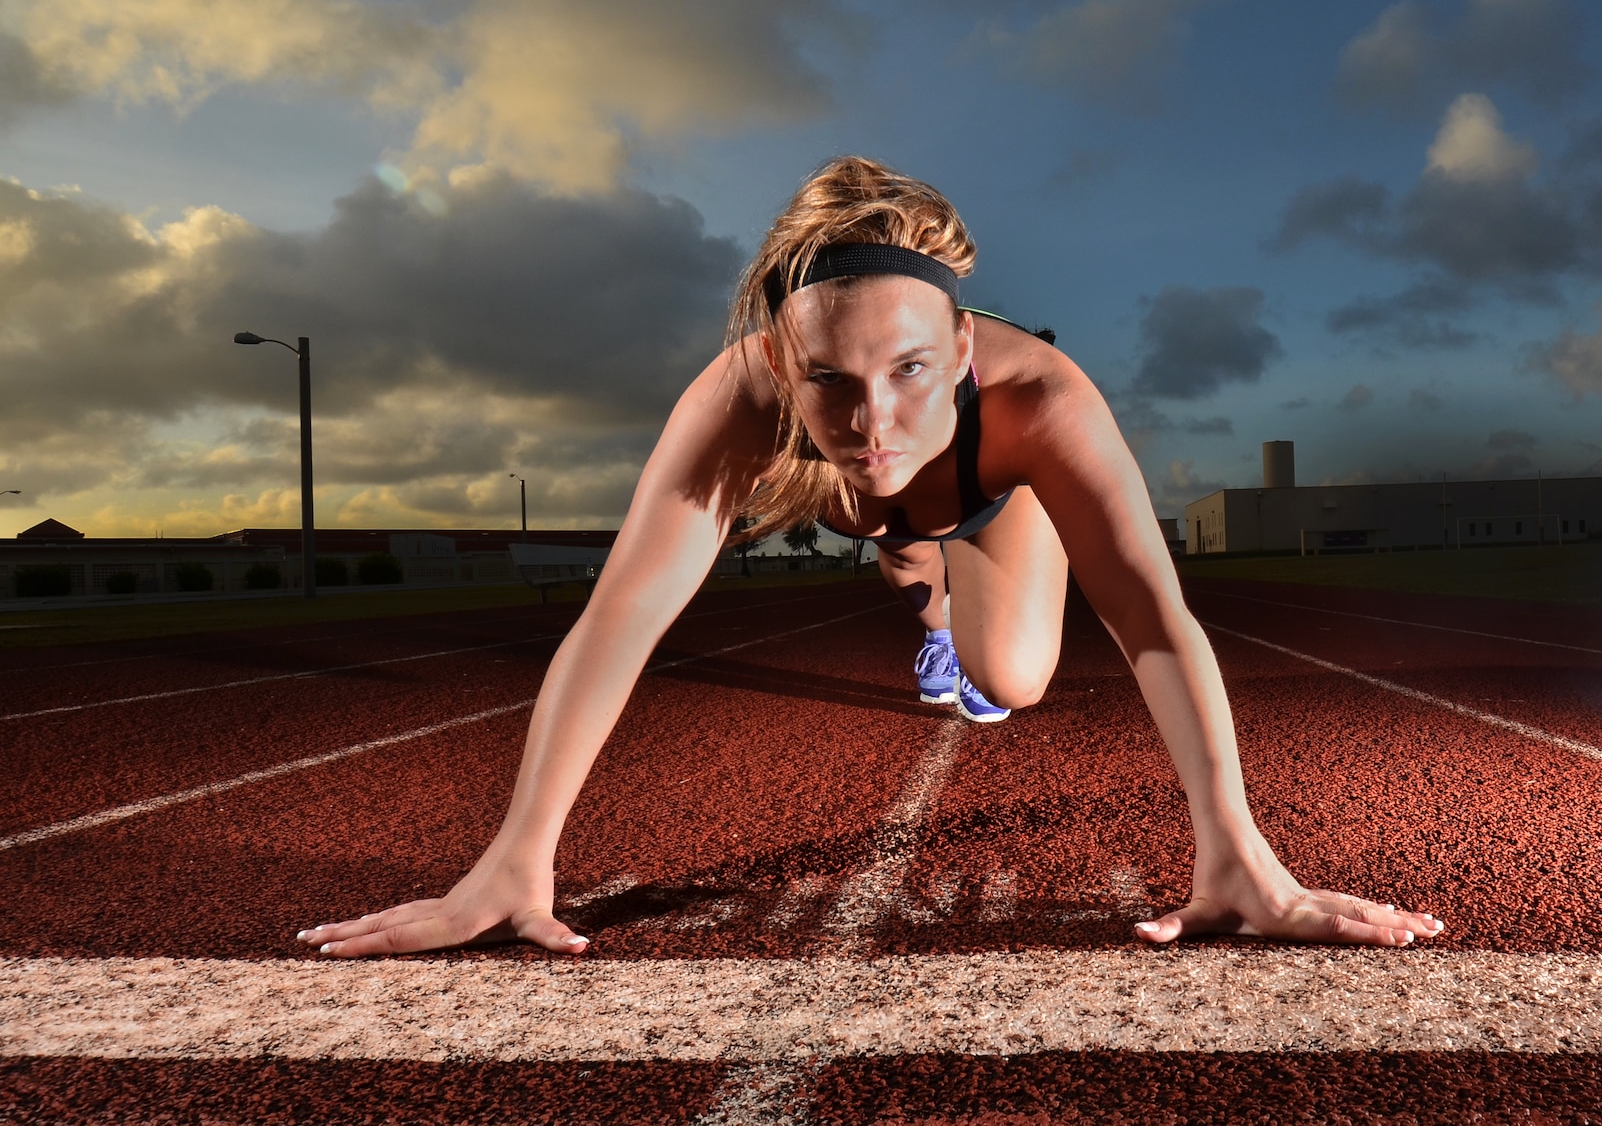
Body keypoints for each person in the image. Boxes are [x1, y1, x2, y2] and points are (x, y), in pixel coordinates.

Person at [300, 157, 1445, 957]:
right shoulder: (742, 393)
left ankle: (943, 604)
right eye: (830, 383)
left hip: (989, 502)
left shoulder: (1042, 401)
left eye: (904, 370)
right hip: (855, 513)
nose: (871, 418)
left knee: (1014, 681)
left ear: (958, 347)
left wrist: (1241, 855)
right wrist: (515, 856)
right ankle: (914, 576)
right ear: (778, 358)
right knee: (876, 521)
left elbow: (1152, 618)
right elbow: (619, 618)